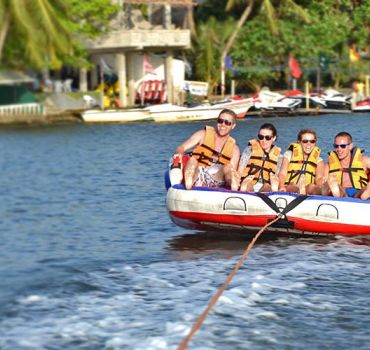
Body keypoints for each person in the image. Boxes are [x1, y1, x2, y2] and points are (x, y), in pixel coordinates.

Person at [173, 109, 240, 190]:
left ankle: (233, 183)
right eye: (220, 121)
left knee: (229, 167)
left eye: (227, 123)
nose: (223, 125)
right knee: (193, 159)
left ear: (233, 126)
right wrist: (178, 154)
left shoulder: (235, 149)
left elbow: (231, 170)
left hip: (216, 179)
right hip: (198, 173)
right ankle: (189, 180)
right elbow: (182, 147)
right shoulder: (202, 134)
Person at [322, 131, 370, 200]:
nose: (339, 149)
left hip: (358, 190)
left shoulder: (364, 160)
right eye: (336, 146)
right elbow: (323, 181)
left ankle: (366, 193)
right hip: (341, 190)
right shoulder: (329, 165)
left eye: (343, 146)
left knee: (364, 190)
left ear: (350, 146)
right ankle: (335, 192)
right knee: (337, 189)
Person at [233, 123, 281, 192]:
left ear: (274, 138)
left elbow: (277, 176)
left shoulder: (279, 156)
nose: (264, 140)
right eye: (261, 137)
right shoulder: (249, 150)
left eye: (267, 137)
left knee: (267, 186)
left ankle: (272, 191)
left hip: (265, 185)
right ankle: (244, 187)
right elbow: (240, 170)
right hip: (249, 181)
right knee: (247, 185)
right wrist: (238, 182)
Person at [278, 129, 324, 195]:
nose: (309, 144)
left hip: (307, 188)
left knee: (312, 186)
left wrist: (321, 182)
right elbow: (282, 173)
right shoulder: (289, 155)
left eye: (312, 141)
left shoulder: (319, 160)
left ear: (315, 143)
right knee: (293, 187)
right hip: (290, 186)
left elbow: (318, 178)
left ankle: (327, 191)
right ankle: (300, 190)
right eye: (305, 141)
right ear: (299, 142)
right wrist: (281, 185)